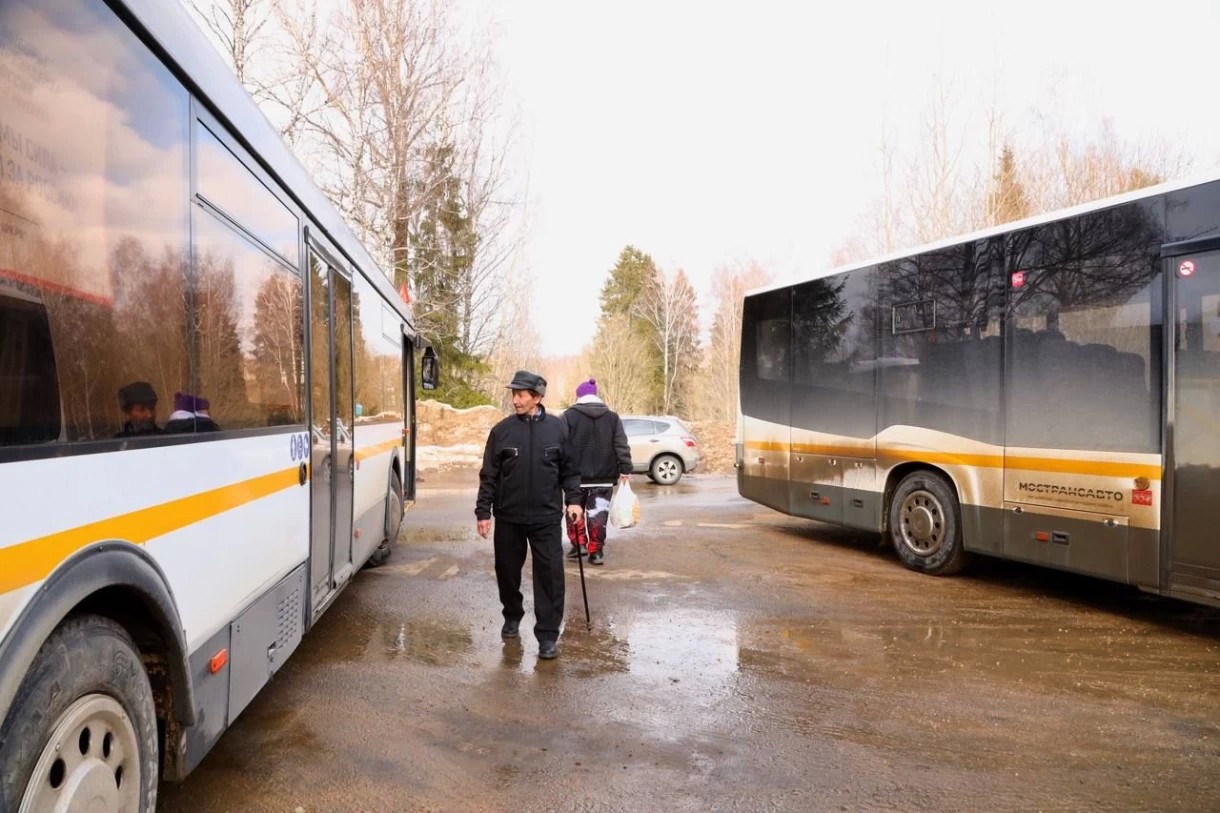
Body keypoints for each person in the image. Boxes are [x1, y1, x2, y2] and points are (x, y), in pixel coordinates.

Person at [475, 370, 582, 660]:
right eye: (513, 394)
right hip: (509, 517)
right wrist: (483, 511)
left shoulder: (558, 429)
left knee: (550, 578)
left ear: (537, 397)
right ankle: (512, 613)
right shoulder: (502, 431)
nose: (515, 400)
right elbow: (489, 476)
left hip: (546, 518)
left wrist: (574, 501)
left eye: (521, 394)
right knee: (507, 573)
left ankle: (547, 636)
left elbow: (570, 472)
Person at [561, 378, 632, 566]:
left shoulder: (568, 416)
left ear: (579, 396)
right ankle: (596, 552)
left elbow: (561, 446)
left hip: (575, 478)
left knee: (574, 511)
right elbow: (621, 444)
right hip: (604, 478)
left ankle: (579, 546)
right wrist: (625, 468)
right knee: (598, 514)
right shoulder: (612, 417)